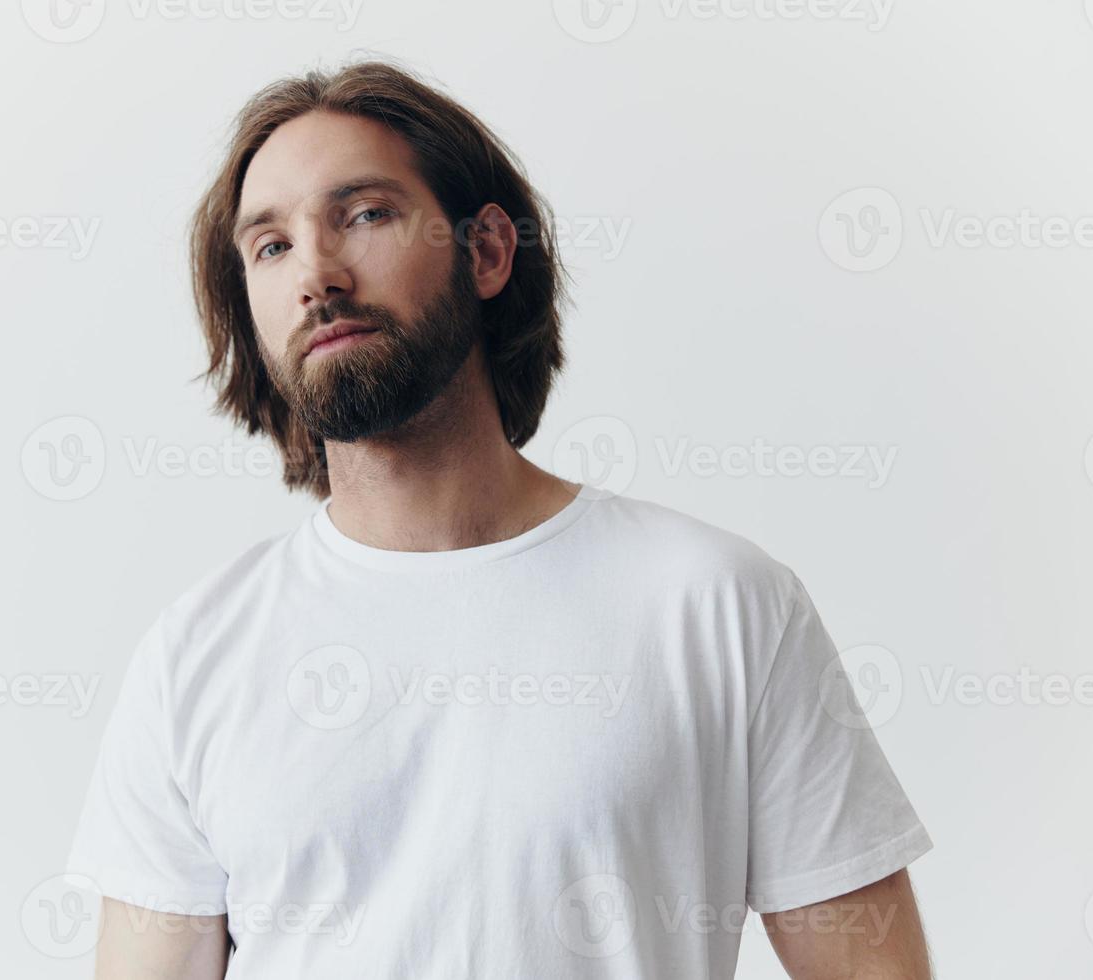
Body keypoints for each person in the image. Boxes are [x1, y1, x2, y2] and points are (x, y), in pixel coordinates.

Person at [66, 56, 934, 979]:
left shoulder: (718, 604)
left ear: (485, 251)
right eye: (271, 245)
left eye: (363, 215)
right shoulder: (196, 656)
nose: (316, 272)